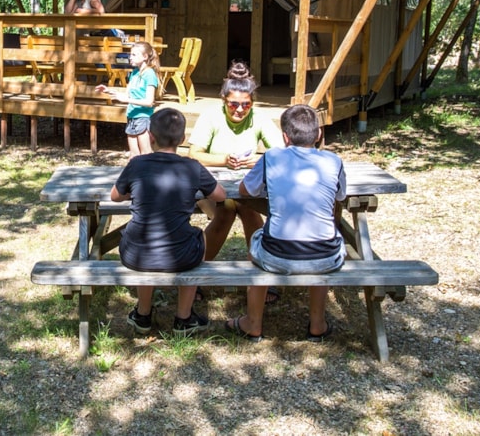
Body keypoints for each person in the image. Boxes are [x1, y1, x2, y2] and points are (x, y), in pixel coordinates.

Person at [226, 104, 347, 342]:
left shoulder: (272, 157)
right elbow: (341, 195)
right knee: (326, 238)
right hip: (326, 255)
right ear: (319, 134)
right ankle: (318, 323)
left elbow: (245, 190)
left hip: (276, 255)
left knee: (255, 241)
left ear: (285, 137)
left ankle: (253, 322)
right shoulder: (334, 161)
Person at [110, 107, 227, 336]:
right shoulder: (192, 167)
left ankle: (143, 313)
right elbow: (220, 196)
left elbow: (115, 196)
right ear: (182, 139)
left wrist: (133, 190)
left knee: (142, 235)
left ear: (150, 136)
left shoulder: (137, 164)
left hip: (135, 254)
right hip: (180, 256)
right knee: (199, 235)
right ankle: (183, 317)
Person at [188, 61, 285, 303]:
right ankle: (194, 276)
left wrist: (256, 161)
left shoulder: (259, 118)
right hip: (210, 186)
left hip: (246, 187)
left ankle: (261, 276)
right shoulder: (211, 116)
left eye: (246, 105)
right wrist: (223, 160)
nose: (239, 110)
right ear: (224, 100)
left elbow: (281, 152)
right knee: (226, 211)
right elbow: (194, 154)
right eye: (233, 104)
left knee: (250, 210)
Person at [95, 41, 159, 157]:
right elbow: (128, 94)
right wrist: (109, 90)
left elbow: (149, 102)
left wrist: (126, 100)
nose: (130, 57)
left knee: (145, 154)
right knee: (133, 155)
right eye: (130, 54)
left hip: (143, 117)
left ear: (145, 56)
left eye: (134, 55)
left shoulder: (149, 74)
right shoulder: (134, 73)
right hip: (131, 115)